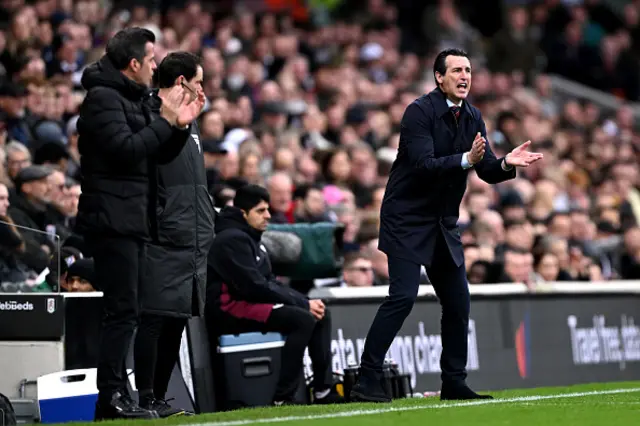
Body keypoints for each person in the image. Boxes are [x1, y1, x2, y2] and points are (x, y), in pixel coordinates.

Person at [350, 48, 543, 402]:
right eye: (456, 70)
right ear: (440, 77)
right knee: (402, 297)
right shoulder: (418, 112)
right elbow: (423, 164)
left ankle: (453, 382)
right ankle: (367, 379)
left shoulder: (473, 116)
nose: (464, 76)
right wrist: (466, 160)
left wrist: (504, 164)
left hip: (442, 221)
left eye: (468, 70)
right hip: (405, 218)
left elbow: (483, 170)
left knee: (458, 302)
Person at [75, 28, 203, 420]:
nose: (155, 66)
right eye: (150, 60)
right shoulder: (102, 100)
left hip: (132, 219)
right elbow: (127, 151)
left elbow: (158, 153)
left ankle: (118, 397)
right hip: (112, 220)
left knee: (127, 310)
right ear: (133, 64)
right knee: (123, 311)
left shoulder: (134, 99)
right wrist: (165, 120)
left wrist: (179, 125)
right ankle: (112, 398)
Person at [205, 184, 342, 406]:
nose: (268, 216)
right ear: (243, 213)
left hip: (249, 302)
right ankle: (283, 396)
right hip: (228, 307)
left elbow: (268, 283)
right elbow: (253, 286)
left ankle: (323, 390)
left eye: (268, 210)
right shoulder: (231, 239)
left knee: (319, 313)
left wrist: (305, 301)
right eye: (260, 211)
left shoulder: (251, 238)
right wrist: (302, 304)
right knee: (302, 319)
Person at [133, 52, 214, 418]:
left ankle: (160, 398)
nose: (203, 89)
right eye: (198, 81)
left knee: (178, 320)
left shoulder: (192, 121)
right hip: (164, 235)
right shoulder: (147, 114)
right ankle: (144, 396)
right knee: (154, 317)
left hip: (193, 235)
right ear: (180, 81)